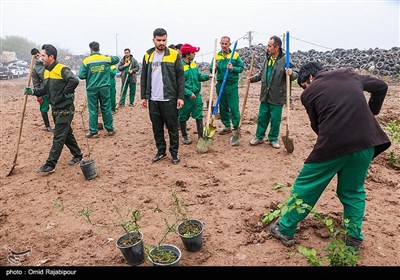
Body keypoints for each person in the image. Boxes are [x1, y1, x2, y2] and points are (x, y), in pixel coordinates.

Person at [268, 62, 391, 251]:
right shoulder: (349, 73)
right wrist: (372, 111)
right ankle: (353, 239)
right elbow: (381, 86)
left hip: (334, 144)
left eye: (304, 85)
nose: (305, 89)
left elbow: (317, 126)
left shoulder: (309, 93)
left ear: (310, 78)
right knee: (353, 191)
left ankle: (284, 229)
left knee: (306, 186)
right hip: (368, 142)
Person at [24, 44, 83, 174]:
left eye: (43, 55)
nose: (41, 58)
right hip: (55, 108)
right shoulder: (46, 71)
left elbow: (74, 80)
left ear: (51, 56)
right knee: (66, 133)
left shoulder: (61, 68)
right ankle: (78, 155)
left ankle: (50, 164)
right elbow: (45, 89)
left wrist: (66, 92)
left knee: (58, 136)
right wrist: (33, 91)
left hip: (65, 108)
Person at [140, 28, 184, 164]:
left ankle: (174, 153)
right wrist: (144, 96)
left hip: (169, 98)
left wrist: (180, 97)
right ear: (153, 40)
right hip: (153, 99)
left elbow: (180, 77)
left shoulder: (174, 55)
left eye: (164, 40)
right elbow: (144, 77)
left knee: (172, 128)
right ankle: (161, 151)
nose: (161, 43)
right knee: (157, 128)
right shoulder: (148, 55)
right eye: (158, 40)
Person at [249, 35, 298, 149]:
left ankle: (273, 139)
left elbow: (295, 73)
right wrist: (253, 79)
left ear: (277, 48)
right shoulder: (267, 59)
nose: (267, 48)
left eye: (269, 46)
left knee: (275, 119)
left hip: (278, 94)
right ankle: (259, 137)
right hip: (265, 94)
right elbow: (262, 74)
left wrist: (291, 73)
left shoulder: (285, 60)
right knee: (262, 116)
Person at [78, 41, 119, 138]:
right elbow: (117, 59)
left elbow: (81, 75)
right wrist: (106, 57)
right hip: (104, 87)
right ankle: (110, 129)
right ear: (99, 48)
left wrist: (90, 74)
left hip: (92, 88)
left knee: (93, 110)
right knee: (106, 108)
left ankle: (94, 131)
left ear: (90, 49)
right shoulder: (105, 59)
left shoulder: (86, 61)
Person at [209, 36, 244, 135]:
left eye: (226, 44)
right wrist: (214, 67)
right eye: (222, 43)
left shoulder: (235, 55)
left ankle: (236, 127)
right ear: (220, 43)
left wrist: (233, 68)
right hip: (221, 84)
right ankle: (227, 126)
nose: (224, 46)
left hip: (231, 85)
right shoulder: (217, 56)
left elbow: (241, 68)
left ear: (229, 44)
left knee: (233, 107)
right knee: (223, 107)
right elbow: (211, 69)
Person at [179, 43, 211, 144]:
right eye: (193, 53)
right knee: (183, 116)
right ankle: (184, 136)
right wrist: (188, 93)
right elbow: (178, 84)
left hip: (196, 95)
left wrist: (208, 77)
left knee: (199, 115)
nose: (194, 54)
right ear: (187, 54)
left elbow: (198, 76)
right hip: (185, 97)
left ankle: (201, 137)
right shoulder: (179, 66)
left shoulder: (193, 64)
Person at [30, 48, 53, 132]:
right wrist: (38, 95)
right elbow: (36, 83)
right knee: (44, 108)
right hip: (43, 90)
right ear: (34, 57)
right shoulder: (35, 68)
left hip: (53, 88)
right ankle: (47, 126)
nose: (38, 56)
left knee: (56, 106)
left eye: (38, 53)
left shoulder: (47, 62)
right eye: (36, 55)